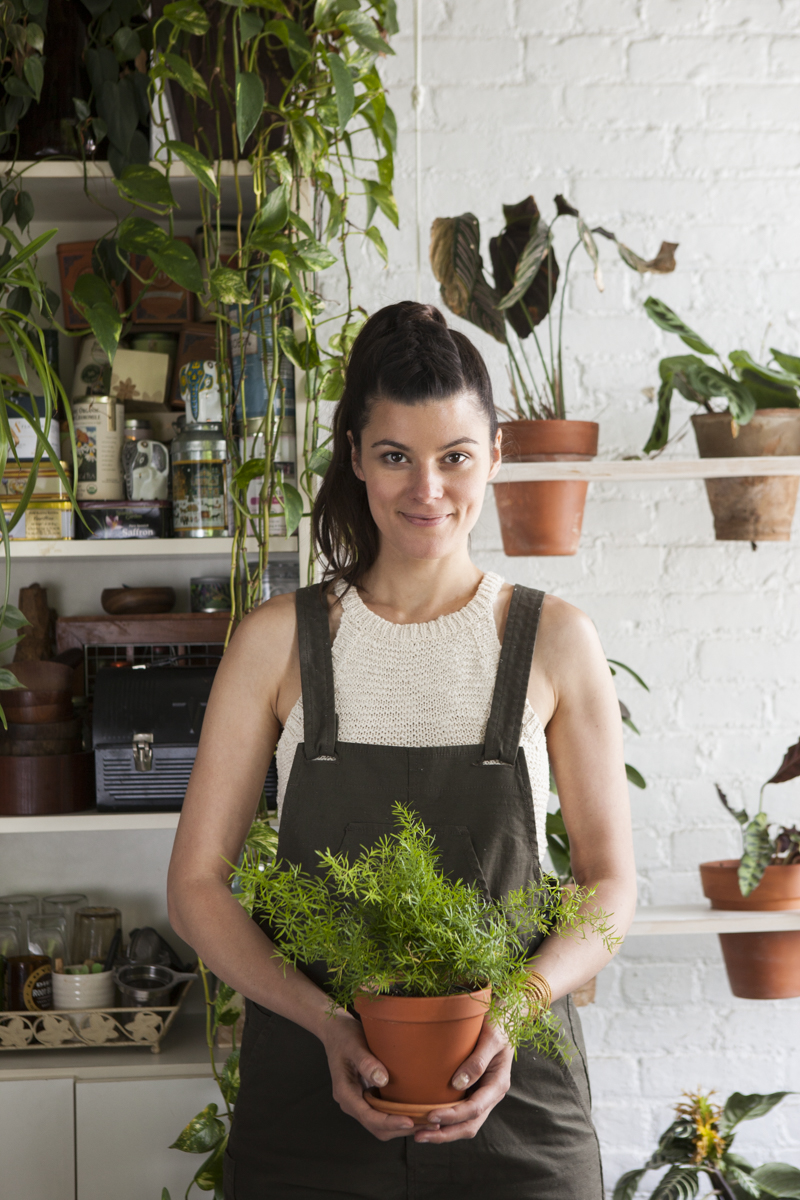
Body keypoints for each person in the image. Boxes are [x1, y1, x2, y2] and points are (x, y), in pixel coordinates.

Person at [168, 301, 636, 1200]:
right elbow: (194, 883)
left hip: (515, 1099)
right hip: (313, 1098)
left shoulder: (555, 642)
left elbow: (612, 881)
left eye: (455, 456)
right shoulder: (277, 641)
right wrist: (328, 1025)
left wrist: (513, 1013)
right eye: (396, 457)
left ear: (495, 455)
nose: (429, 489)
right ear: (355, 457)